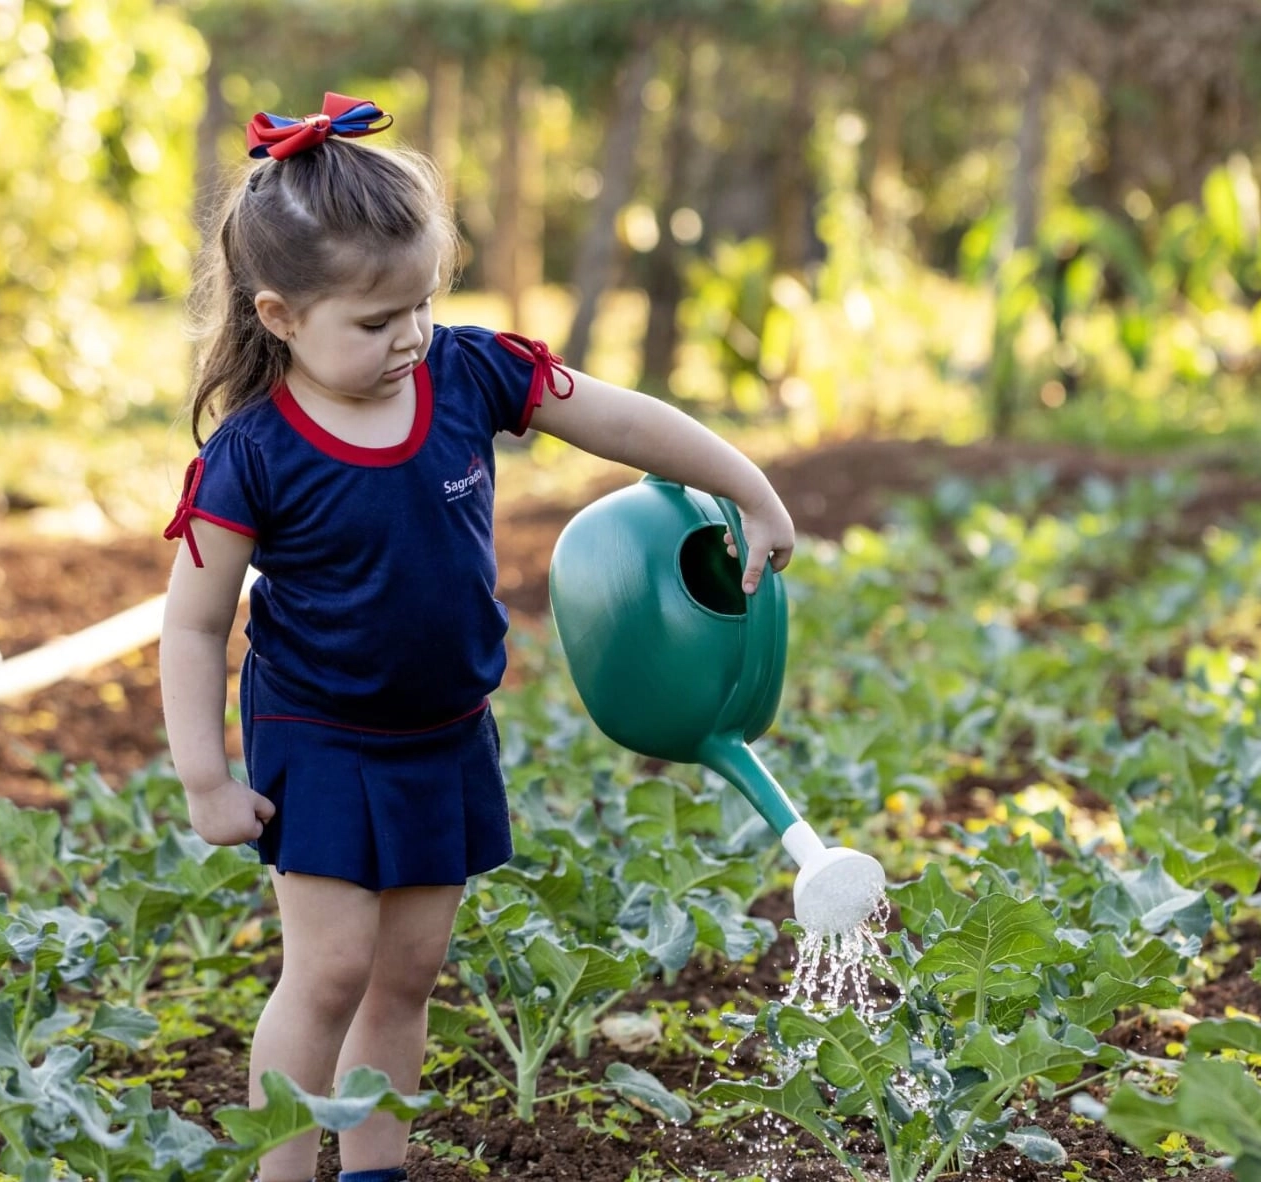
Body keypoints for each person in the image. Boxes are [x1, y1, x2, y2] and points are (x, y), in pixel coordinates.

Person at [159, 92, 796, 1182]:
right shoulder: (254, 455)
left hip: (445, 729)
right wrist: (203, 779)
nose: (409, 335)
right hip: (317, 731)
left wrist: (748, 485)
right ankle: (276, 1171)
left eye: (421, 303)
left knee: (408, 972)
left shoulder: (467, 372)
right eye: (374, 321)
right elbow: (192, 620)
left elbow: (622, 418)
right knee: (328, 971)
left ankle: (375, 1170)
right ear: (278, 316)